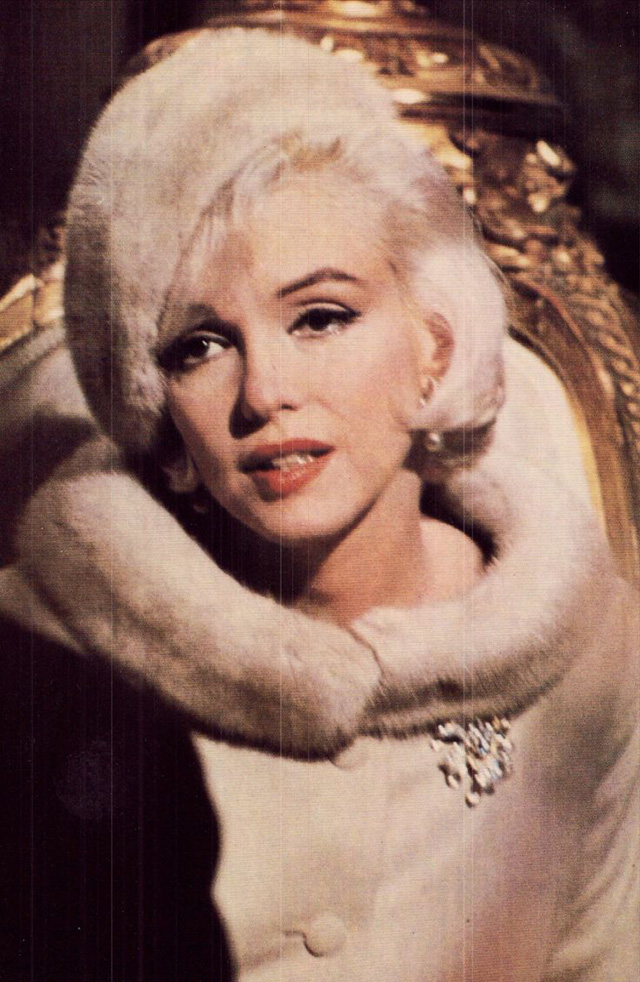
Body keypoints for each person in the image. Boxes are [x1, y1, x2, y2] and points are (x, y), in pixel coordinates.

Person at [0, 27, 637, 982]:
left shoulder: (595, 652)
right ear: (162, 425)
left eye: (322, 317)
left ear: (434, 349)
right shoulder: (40, 660)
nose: (264, 393)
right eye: (200, 347)